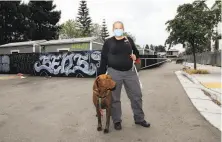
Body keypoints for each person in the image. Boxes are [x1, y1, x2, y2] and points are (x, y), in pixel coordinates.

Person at [97, 21, 150, 130]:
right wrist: (100, 77)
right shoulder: (108, 42)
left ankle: (139, 118)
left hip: (130, 72)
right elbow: (103, 59)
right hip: (114, 73)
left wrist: (135, 56)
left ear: (123, 28)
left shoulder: (128, 40)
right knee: (114, 98)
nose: (118, 30)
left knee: (137, 95)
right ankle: (117, 121)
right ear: (113, 29)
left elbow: (136, 53)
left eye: (120, 28)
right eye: (116, 28)